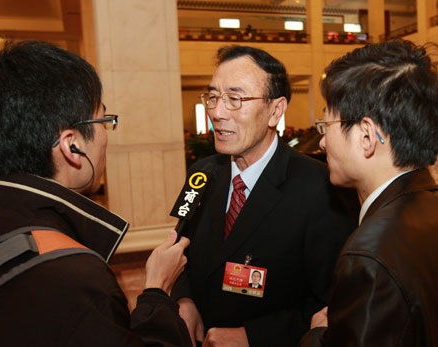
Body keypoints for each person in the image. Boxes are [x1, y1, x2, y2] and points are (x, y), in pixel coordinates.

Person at [0, 40, 191, 346]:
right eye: (104, 121)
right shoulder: (73, 279)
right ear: (72, 145)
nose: (106, 137)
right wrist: (156, 293)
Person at [170, 45, 357, 346]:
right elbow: (179, 251)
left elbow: (335, 301)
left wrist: (254, 337)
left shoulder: (320, 187)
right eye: (214, 97)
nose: (217, 113)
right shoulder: (201, 173)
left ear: (275, 110)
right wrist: (184, 299)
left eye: (235, 99)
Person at [299, 40, 438, 346]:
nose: (322, 143)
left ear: (366, 136)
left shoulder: (369, 254)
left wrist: (319, 333)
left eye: (327, 125)